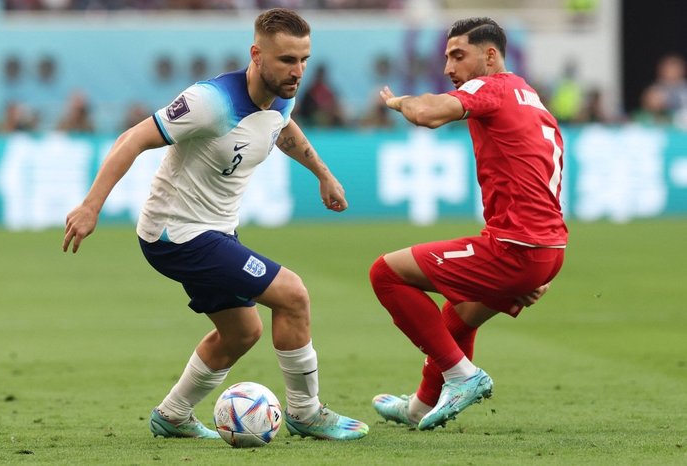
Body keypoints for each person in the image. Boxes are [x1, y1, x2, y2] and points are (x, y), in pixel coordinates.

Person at [62, 8, 368, 441]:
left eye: (304, 59)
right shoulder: (209, 102)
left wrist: (323, 173)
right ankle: (306, 411)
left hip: (214, 231)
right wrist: (91, 206)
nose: (297, 70)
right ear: (256, 55)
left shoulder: (284, 91)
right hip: (177, 234)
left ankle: (172, 415)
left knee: (243, 332)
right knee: (293, 296)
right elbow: (132, 139)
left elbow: (282, 128)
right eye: (286, 60)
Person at [369, 17, 567, 431]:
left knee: (385, 273)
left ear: (490, 56)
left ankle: (462, 376)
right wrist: (543, 258)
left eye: (458, 56)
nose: (448, 68)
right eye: (446, 57)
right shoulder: (532, 99)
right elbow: (550, 174)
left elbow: (426, 113)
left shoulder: (491, 87)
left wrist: (399, 102)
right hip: (546, 249)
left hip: (515, 247)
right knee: (460, 314)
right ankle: (422, 405)